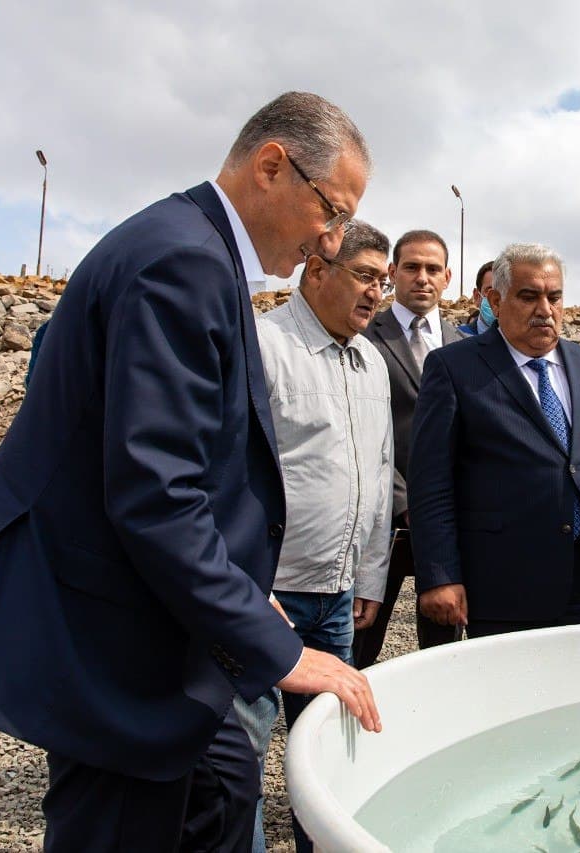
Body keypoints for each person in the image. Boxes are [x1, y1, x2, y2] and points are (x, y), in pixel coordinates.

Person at [0, 91, 382, 852]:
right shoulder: (182, 262)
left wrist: (244, 597)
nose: (330, 242)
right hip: (116, 645)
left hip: (163, 632)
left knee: (227, 786)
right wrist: (283, 651)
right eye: (329, 212)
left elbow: (195, 468)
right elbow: (156, 492)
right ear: (273, 165)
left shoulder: (193, 251)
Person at [409, 242, 580, 637]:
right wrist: (439, 575)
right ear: (496, 299)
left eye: (554, 297)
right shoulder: (454, 368)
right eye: (529, 297)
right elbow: (431, 483)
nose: (545, 310)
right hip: (501, 585)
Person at [241, 220, 395, 852]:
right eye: (365, 276)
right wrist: (246, 582)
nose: (376, 294)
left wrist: (372, 575)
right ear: (317, 271)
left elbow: (379, 473)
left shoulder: (373, 363)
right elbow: (227, 473)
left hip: (335, 599)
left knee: (329, 755)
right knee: (241, 757)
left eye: (382, 283)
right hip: (263, 598)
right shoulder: (262, 345)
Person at [354, 229, 467, 668]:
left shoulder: (465, 345)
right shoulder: (365, 338)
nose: (423, 278)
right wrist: (406, 500)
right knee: (361, 640)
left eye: (433, 269)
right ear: (392, 273)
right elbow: (364, 431)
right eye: (412, 267)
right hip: (385, 519)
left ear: (447, 277)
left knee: (443, 647)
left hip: (447, 521)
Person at [458, 260, 497, 335]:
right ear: (477, 296)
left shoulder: (522, 342)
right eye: (490, 291)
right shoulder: (455, 338)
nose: (497, 298)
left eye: (503, 291)